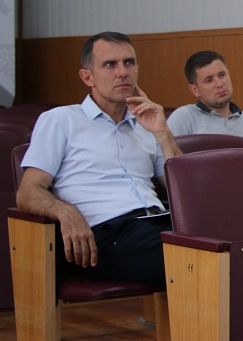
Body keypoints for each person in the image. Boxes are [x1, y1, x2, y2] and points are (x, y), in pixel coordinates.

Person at [17, 32, 181, 285]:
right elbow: (27, 193)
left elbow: (182, 191)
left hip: (157, 222)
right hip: (107, 234)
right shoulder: (61, 120)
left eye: (129, 63)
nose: (122, 72)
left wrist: (162, 133)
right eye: (110, 64)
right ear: (87, 77)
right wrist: (64, 210)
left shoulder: (147, 124)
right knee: (197, 257)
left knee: (232, 241)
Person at [167, 50, 243, 147]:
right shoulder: (183, 117)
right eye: (209, 80)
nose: (220, 84)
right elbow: (170, 159)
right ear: (195, 90)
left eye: (222, 75)